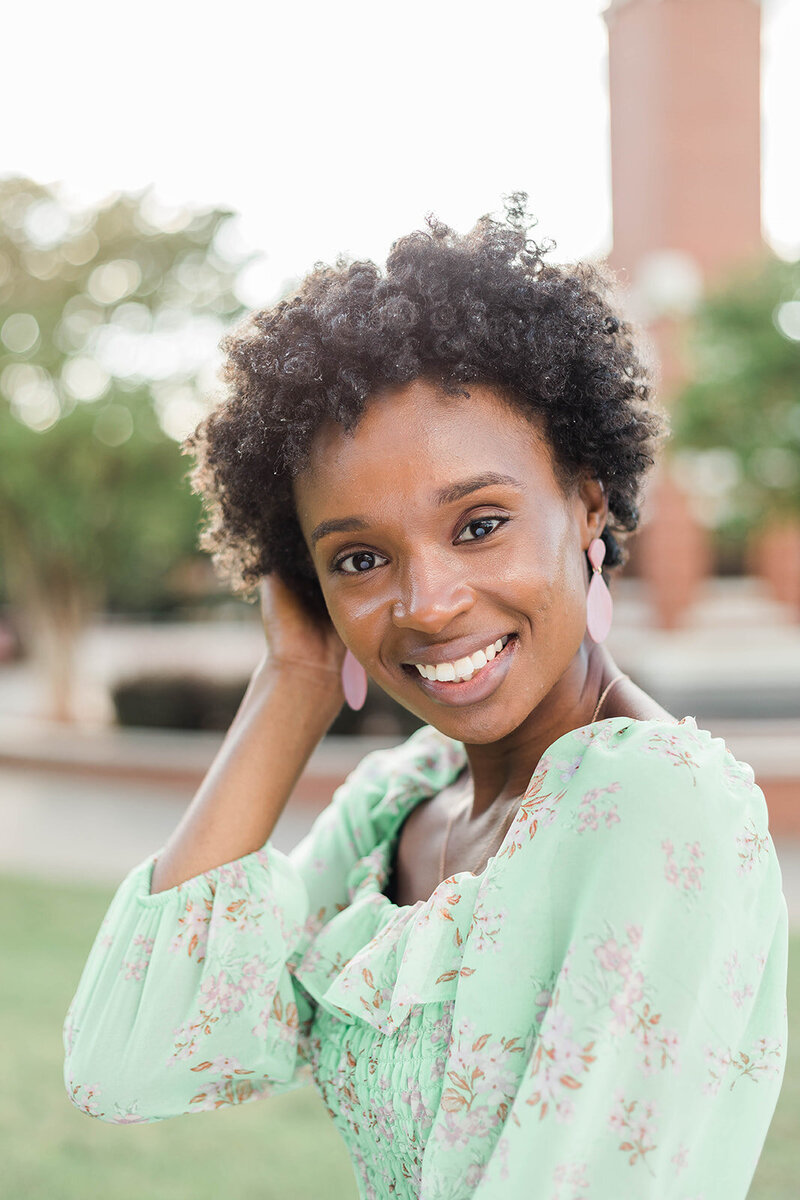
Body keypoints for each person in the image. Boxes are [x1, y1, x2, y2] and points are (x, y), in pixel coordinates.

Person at [63, 198, 788, 1198]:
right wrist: (294, 681)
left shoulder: (654, 804)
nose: (428, 602)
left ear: (587, 498)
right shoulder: (395, 809)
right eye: (358, 557)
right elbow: (129, 1059)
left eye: (479, 523)